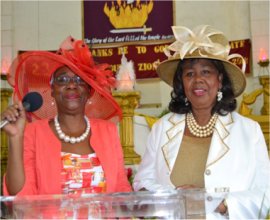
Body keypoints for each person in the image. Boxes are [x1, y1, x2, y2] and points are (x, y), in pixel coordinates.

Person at [133, 25, 270, 218]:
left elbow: (264, 193)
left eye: (206, 72)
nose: (197, 79)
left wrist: (217, 203)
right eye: (189, 73)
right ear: (182, 83)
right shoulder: (161, 128)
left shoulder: (249, 131)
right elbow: (142, 183)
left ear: (220, 80)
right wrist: (175, 198)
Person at [1, 36, 131, 196]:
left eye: (79, 79)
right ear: (52, 90)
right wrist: (15, 137)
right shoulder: (33, 132)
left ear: (89, 91)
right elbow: (19, 194)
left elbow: (122, 189)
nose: (71, 85)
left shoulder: (108, 131)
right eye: (62, 79)